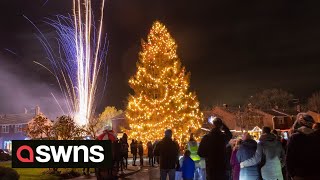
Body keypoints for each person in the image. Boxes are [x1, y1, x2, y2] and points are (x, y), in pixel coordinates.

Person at [286, 113, 320, 180]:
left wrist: (292, 175)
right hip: (316, 173)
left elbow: (289, 158)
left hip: (300, 175)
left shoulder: (295, 137)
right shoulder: (317, 136)